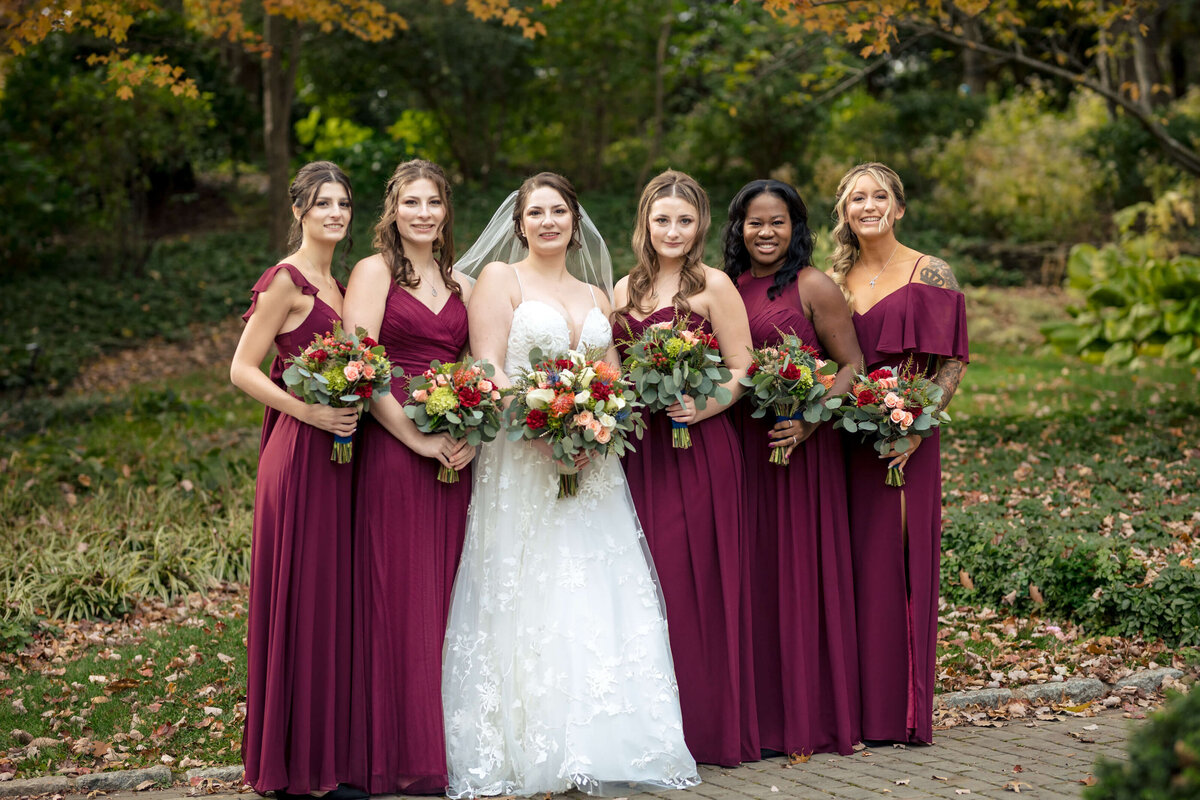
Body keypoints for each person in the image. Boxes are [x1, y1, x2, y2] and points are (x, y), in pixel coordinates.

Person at [441, 172, 701, 798]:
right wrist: (543, 422)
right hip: (521, 455)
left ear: (575, 219)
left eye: (559, 210)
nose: (549, 221)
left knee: (595, 585)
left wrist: (594, 426)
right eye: (537, 212)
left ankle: (604, 739)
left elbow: (610, 374)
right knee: (530, 583)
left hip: (591, 463)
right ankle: (531, 744)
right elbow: (488, 368)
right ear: (519, 221)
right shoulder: (502, 281)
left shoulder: (596, 291)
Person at [611, 170, 759, 766]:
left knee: (701, 582)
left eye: (685, 220)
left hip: (699, 448)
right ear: (645, 223)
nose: (673, 230)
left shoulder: (715, 285)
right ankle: (656, 730)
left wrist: (703, 407)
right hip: (641, 453)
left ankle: (708, 728)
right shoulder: (623, 290)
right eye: (662, 219)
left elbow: (743, 366)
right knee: (649, 584)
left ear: (700, 227)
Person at [230, 161, 365, 799]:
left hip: (336, 456)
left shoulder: (335, 285)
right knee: (299, 595)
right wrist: (305, 408)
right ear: (300, 212)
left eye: (342, 203)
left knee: (326, 600)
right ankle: (288, 768)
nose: (335, 214)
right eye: (323, 204)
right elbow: (242, 369)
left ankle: (323, 758)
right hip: (297, 452)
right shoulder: (284, 281)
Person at [341, 159, 476, 794]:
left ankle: (438, 747)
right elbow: (361, 366)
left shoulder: (463, 282)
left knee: (447, 598)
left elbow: (476, 366)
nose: (423, 213)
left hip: (453, 450)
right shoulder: (373, 273)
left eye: (434, 203)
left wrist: (466, 433)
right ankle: (390, 750)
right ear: (393, 210)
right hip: (396, 447)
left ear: (447, 212)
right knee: (398, 593)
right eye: (411, 202)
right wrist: (417, 441)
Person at [722, 179, 864, 757]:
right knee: (754, 580)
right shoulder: (725, 288)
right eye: (755, 222)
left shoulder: (813, 285)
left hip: (802, 453)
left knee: (799, 577)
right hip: (745, 451)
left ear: (795, 227)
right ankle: (759, 718)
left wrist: (811, 420)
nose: (765, 232)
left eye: (777, 221)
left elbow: (851, 363)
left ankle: (811, 717)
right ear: (738, 229)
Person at [829, 162, 968, 746]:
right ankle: (850, 710)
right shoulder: (831, 279)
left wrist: (917, 427)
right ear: (844, 210)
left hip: (903, 440)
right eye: (856, 197)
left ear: (899, 207)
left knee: (898, 565)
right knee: (851, 570)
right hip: (843, 444)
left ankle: (900, 712)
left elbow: (952, 361)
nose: (868, 205)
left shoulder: (929, 271)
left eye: (879, 195)